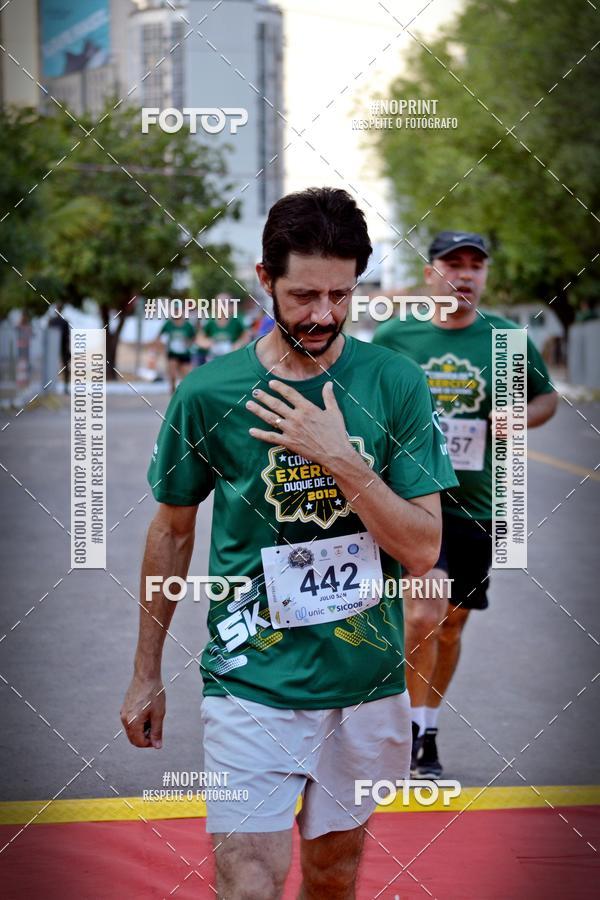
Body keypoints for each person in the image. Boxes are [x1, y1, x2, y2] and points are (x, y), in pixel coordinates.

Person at [121, 188, 457, 899]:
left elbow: (423, 547)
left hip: (364, 681)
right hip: (251, 678)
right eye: (304, 294)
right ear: (263, 277)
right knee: (248, 876)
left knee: (333, 876)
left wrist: (340, 458)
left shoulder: (393, 382)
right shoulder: (210, 394)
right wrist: (146, 670)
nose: (324, 315)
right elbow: (172, 531)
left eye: (342, 294)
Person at [373, 230, 558, 779]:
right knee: (422, 613)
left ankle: (425, 730)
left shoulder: (507, 340)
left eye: (476, 265)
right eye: (453, 264)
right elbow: (365, 395)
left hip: (477, 505)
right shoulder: (396, 335)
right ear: (431, 273)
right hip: (411, 501)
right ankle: (403, 732)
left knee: (449, 625)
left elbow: (545, 396)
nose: (466, 274)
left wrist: (519, 419)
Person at [196, 292, 249, 361]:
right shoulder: (209, 321)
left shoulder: (238, 320)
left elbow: (246, 337)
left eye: (227, 303)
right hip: (213, 359)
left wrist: (237, 345)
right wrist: (208, 343)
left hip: (232, 358)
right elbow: (199, 339)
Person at [158, 310, 196, 393]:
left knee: (186, 375)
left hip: (185, 353)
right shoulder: (168, 324)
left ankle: (184, 391)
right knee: (172, 373)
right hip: (172, 353)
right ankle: (172, 389)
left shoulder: (188, 325)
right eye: (175, 311)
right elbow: (160, 336)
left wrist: (188, 343)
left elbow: (193, 338)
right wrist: (162, 347)